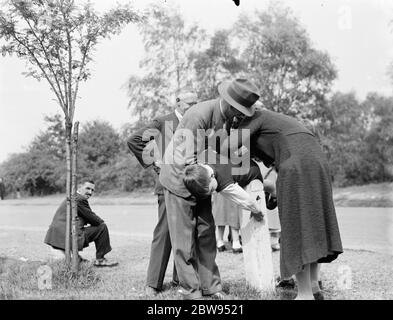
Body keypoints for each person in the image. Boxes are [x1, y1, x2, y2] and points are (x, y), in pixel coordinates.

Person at [224, 106, 343, 300]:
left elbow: (229, 150)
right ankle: (313, 287)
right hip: (317, 162)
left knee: (297, 227)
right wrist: (275, 189)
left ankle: (304, 295)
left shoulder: (252, 119)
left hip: (296, 165)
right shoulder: (276, 119)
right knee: (312, 224)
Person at [159, 78, 260, 300]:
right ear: (230, 104)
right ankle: (191, 290)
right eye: (240, 111)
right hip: (180, 180)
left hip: (203, 180)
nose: (240, 116)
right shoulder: (198, 115)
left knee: (206, 235)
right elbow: (188, 163)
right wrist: (219, 180)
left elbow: (217, 151)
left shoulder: (225, 117)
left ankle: (211, 287)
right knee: (184, 241)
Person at [127, 91, 198, 296]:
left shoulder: (196, 122)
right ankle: (153, 283)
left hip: (190, 186)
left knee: (187, 233)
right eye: (189, 103)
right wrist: (155, 163)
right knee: (164, 233)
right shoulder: (161, 122)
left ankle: (180, 280)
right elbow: (134, 141)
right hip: (167, 186)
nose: (193, 106)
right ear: (177, 102)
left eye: (196, 103)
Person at [44, 179, 118, 267]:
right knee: (102, 227)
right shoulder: (79, 199)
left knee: (82, 229)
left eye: (92, 190)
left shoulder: (73, 196)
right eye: (88, 188)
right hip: (66, 236)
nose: (90, 192)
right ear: (79, 187)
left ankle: (77, 258)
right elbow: (93, 219)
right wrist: (101, 221)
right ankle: (100, 259)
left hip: (57, 237)